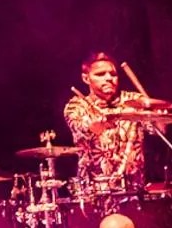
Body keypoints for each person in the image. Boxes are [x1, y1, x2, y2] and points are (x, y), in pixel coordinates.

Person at [63, 54, 151, 195]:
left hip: (133, 189)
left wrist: (158, 117)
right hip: (94, 191)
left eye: (113, 74)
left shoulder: (135, 101)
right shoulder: (77, 105)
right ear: (86, 78)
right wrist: (98, 124)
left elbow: (157, 127)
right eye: (100, 74)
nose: (109, 78)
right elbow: (81, 126)